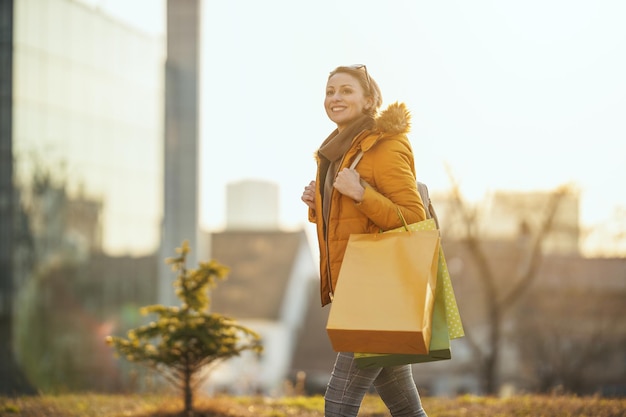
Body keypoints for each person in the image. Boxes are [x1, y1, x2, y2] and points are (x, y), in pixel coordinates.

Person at [301, 64, 428, 417]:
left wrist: (361, 194)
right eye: (330, 91)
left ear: (369, 100)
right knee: (403, 403)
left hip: (378, 293)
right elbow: (349, 225)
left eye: (346, 91)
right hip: (362, 291)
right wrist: (320, 206)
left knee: (338, 402)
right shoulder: (339, 151)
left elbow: (414, 221)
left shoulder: (385, 147)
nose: (335, 98)